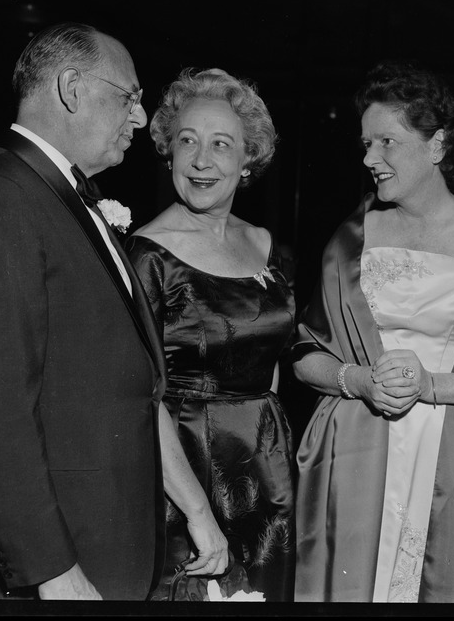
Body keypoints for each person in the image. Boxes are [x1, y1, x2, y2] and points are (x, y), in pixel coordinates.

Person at [0, 22, 185, 599]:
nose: (141, 118)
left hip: (99, 542)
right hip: (52, 568)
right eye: (131, 97)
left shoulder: (53, 196)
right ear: (70, 88)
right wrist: (51, 570)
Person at [292, 61, 454, 603]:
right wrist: (358, 379)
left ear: (437, 145)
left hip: (448, 454)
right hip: (358, 452)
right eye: (366, 144)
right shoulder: (351, 238)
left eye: (386, 141)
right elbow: (303, 353)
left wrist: (431, 386)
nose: (369, 159)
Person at [126, 67, 297, 602]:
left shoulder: (268, 245)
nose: (202, 161)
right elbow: (137, 396)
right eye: (187, 142)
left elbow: (272, 363)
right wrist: (196, 509)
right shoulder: (146, 254)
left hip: (266, 471)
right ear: (168, 153)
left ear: (249, 158)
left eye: (221, 144)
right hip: (184, 474)